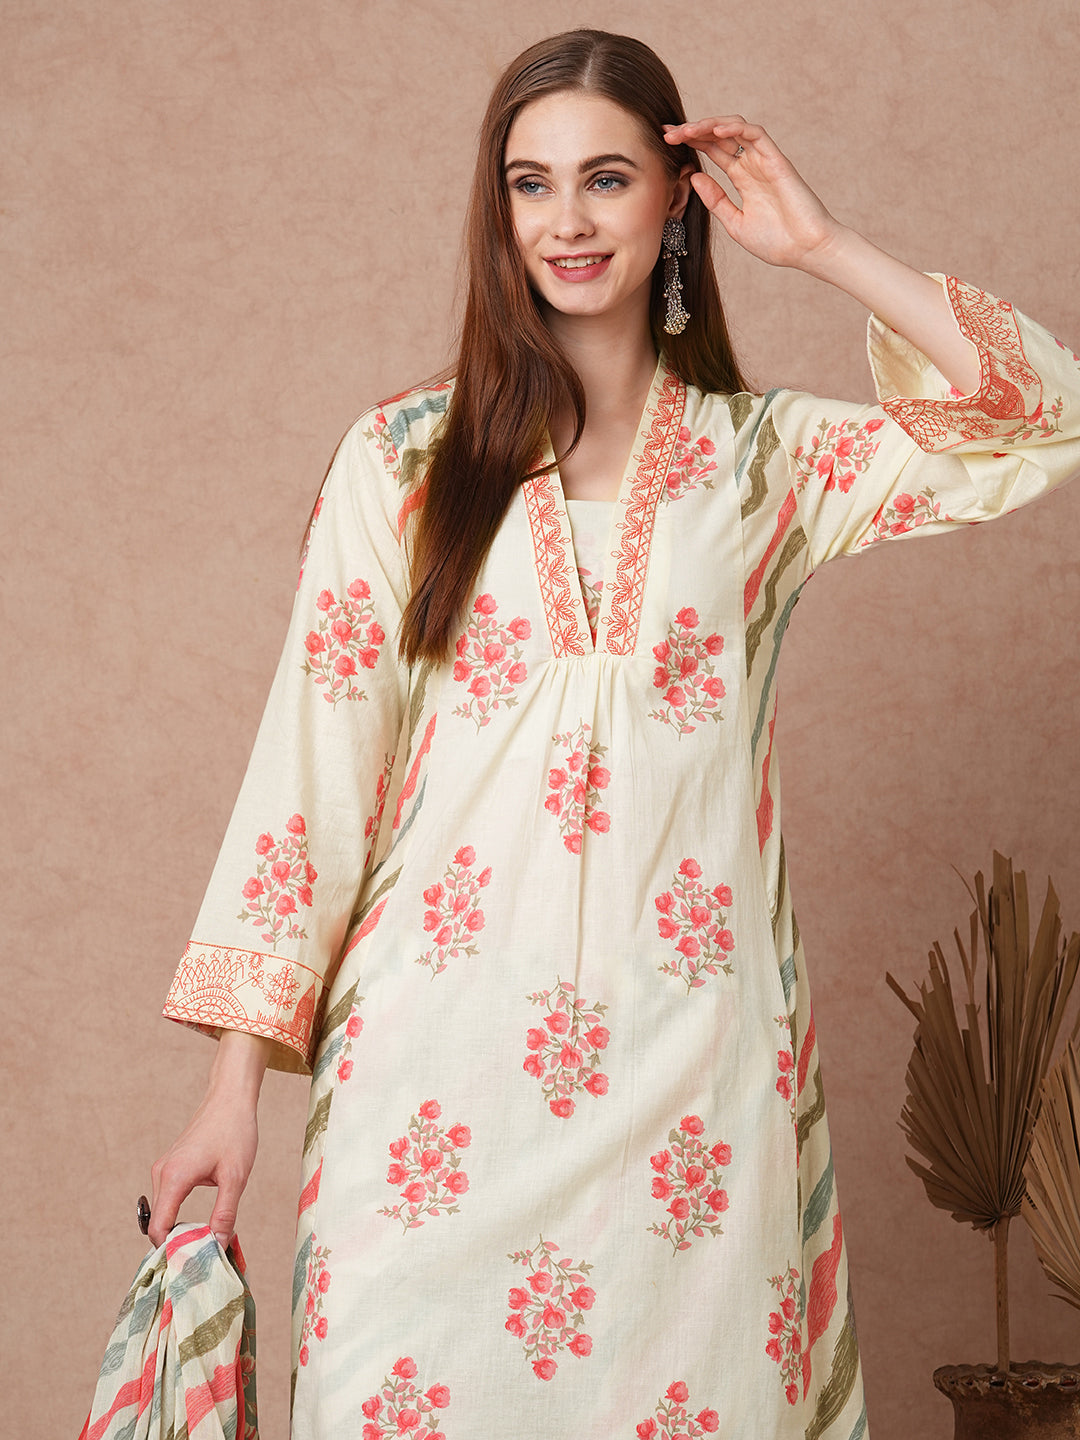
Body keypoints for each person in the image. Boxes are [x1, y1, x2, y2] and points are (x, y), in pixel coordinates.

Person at [148, 28, 1080, 1440]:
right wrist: (232, 1094)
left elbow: (1040, 417)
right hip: (432, 1097)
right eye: (531, 184)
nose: (567, 221)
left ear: (676, 198)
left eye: (606, 178)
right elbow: (310, 775)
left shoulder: (763, 464)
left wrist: (823, 247)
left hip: (692, 1093)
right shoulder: (404, 460)